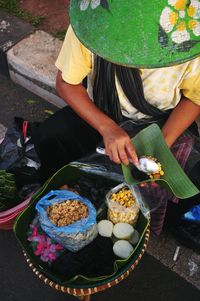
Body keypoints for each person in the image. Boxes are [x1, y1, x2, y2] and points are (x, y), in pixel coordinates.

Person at [33, 0, 200, 234]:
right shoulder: (93, 22)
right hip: (103, 113)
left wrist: (160, 145)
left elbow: (194, 99)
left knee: (191, 184)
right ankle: (70, 192)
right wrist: (107, 127)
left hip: (160, 121)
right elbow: (66, 83)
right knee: (51, 136)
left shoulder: (188, 34)